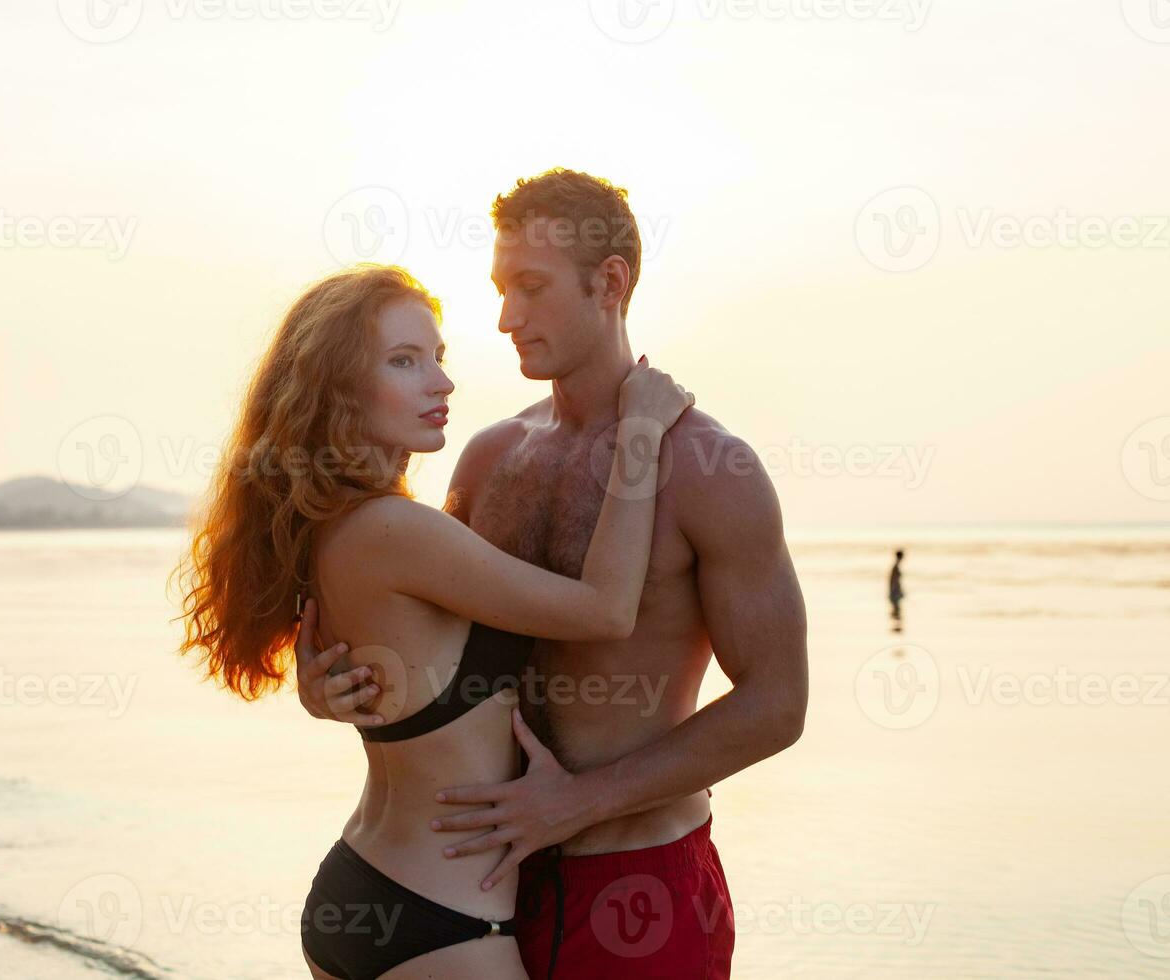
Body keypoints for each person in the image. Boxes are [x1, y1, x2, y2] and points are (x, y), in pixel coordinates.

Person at [297, 169, 810, 978]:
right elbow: (432, 642)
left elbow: (779, 705)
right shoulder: (490, 456)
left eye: (531, 288)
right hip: (484, 886)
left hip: (637, 882)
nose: (506, 318)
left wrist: (578, 802)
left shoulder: (710, 469)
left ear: (610, 282)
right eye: (501, 289)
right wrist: (331, 686)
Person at [173, 264, 693, 979]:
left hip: (367, 892)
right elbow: (604, 610)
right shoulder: (396, 531)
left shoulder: (334, 527)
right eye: (404, 361)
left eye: (439, 359)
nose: (441, 383)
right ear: (337, 388)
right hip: (443, 925)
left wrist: (317, 693)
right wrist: (640, 433)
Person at [889, 549, 906, 631]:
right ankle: (896, 621)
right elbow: (893, 581)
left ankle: (896, 620)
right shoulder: (895, 567)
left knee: (897, 610)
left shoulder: (896, 566)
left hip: (895, 592)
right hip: (895, 593)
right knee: (896, 610)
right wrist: (896, 592)